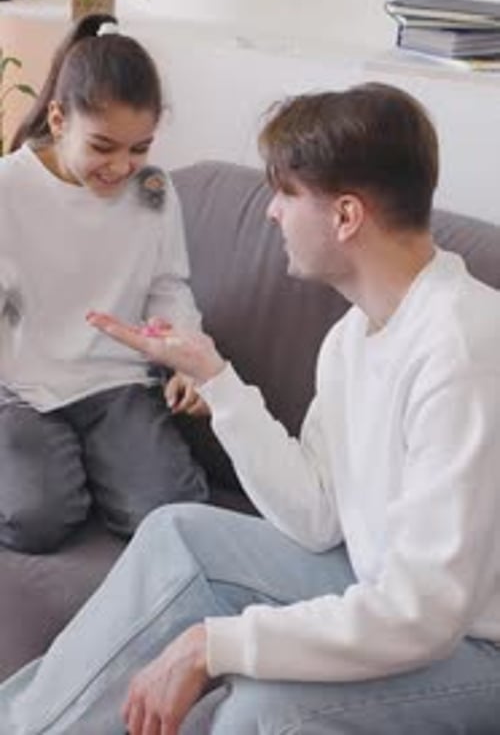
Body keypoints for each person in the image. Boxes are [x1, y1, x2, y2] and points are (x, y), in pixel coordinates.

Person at [1, 81, 500, 734]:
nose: (270, 213)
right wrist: (216, 378)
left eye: (287, 194)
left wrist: (216, 642)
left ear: (346, 216)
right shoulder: (354, 336)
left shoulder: (464, 349)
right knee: (179, 533)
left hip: (474, 645)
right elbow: (317, 516)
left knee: (266, 711)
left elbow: (425, 614)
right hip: (385, 595)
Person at [0, 13, 212, 553]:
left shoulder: (154, 191)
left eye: (140, 147)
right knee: (36, 520)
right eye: (103, 146)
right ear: (58, 117)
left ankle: (97, 461)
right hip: (21, 388)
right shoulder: (8, 188)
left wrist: (186, 354)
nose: (122, 166)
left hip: (116, 383)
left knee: (172, 516)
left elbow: (169, 287)